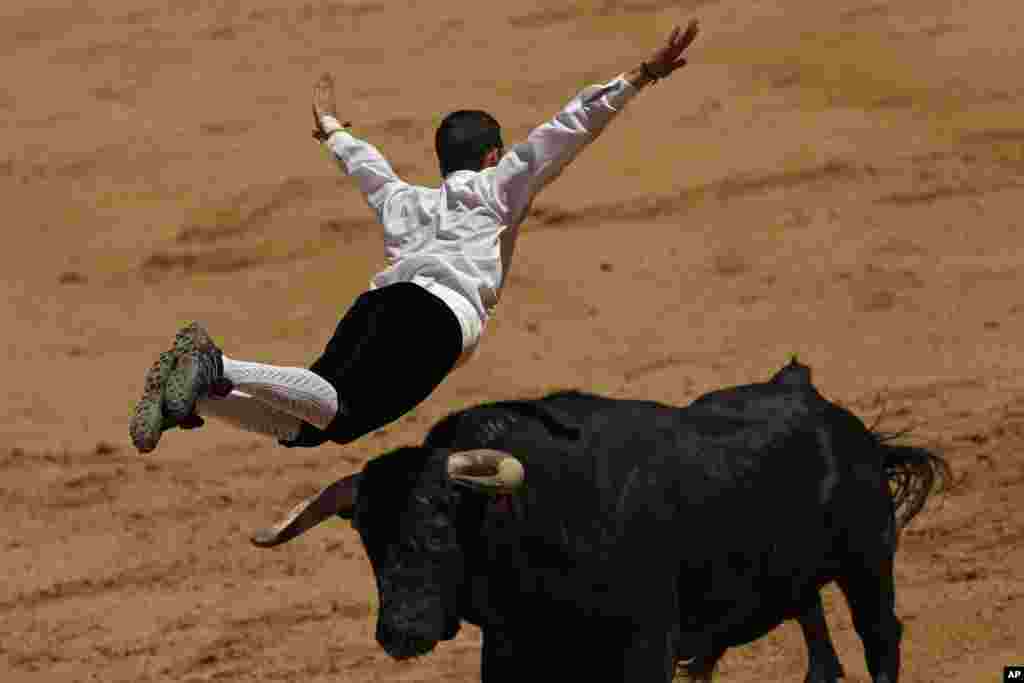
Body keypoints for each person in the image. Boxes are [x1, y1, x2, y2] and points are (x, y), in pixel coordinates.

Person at [129, 20, 701, 455]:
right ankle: (216, 365)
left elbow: (368, 167)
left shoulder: (409, 202)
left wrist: (331, 127)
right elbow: (565, 131)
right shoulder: (499, 187)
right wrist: (641, 76)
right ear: (493, 155)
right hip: (437, 318)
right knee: (337, 409)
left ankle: (196, 396)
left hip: (380, 302)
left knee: (313, 426)